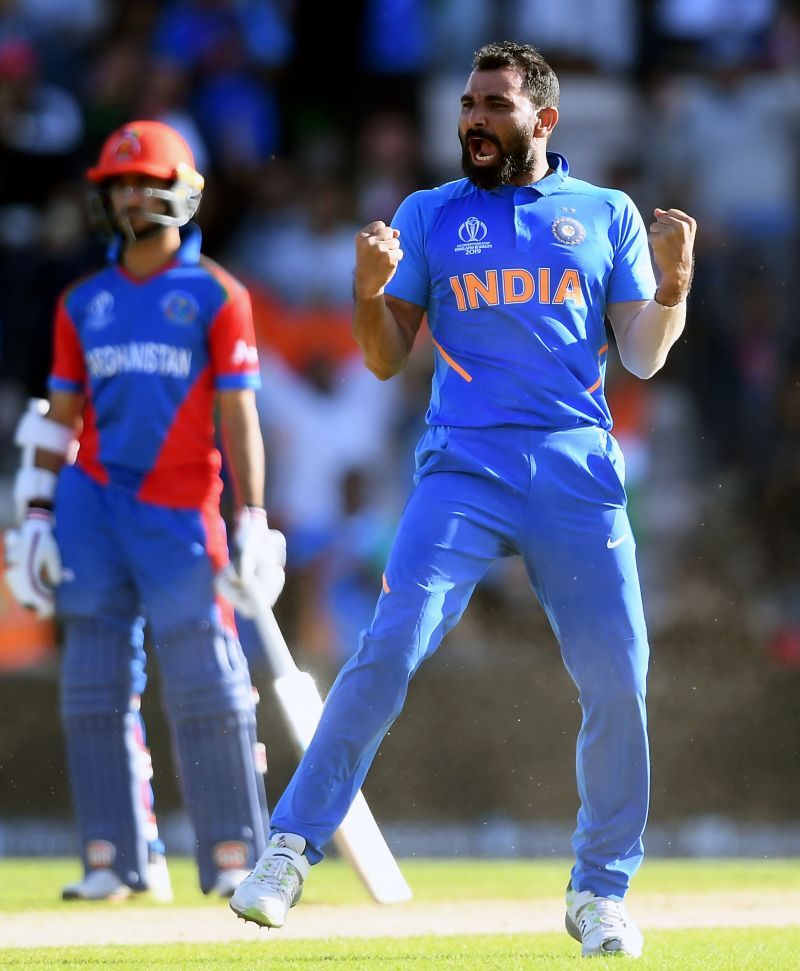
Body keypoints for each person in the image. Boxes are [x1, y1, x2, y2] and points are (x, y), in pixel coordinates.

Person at [230, 41, 696, 958]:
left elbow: (642, 354)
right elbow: (379, 354)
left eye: (494, 104)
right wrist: (370, 292)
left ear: (543, 120)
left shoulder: (604, 213)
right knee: (388, 649)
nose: (474, 120)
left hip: (576, 469)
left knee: (618, 680)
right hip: (465, 468)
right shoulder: (428, 213)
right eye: (469, 104)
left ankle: (600, 890)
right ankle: (288, 847)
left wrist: (674, 285)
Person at [3, 120, 287, 902]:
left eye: (144, 181)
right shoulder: (82, 301)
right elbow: (58, 416)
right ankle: (117, 858)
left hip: (178, 508)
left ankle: (235, 853)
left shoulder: (216, 295)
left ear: (181, 190)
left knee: (209, 685)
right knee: (92, 680)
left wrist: (254, 515)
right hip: (90, 503)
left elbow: (241, 419)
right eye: (118, 184)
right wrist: (32, 514)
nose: (130, 195)